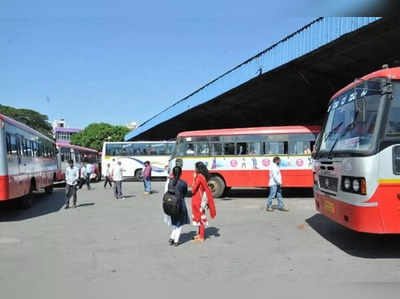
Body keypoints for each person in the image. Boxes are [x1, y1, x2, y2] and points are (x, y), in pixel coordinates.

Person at [164, 166, 189, 247]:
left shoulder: (169, 182)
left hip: (171, 204)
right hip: (180, 204)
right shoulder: (183, 183)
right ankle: (176, 241)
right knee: (180, 223)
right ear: (181, 173)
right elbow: (185, 193)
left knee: (175, 223)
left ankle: (171, 238)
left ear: (173, 173)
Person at [191, 162, 216, 242]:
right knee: (198, 217)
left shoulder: (199, 177)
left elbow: (193, 189)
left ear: (198, 169)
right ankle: (199, 235)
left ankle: (201, 237)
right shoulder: (202, 176)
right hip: (197, 199)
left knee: (200, 218)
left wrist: (194, 178)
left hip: (198, 199)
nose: (194, 169)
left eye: (195, 168)